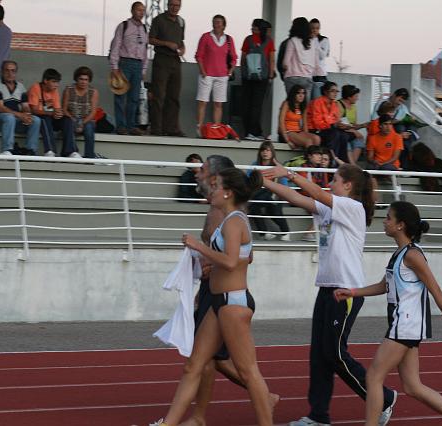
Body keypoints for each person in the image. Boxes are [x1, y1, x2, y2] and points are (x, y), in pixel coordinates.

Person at [259, 163, 398, 426]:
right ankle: (318, 416)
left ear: (347, 185)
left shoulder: (352, 208)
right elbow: (298, 198)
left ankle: (384, 397)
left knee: (334, 352)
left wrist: (288, 173)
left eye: (334, 179)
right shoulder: (331, 208)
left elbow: (317, 194)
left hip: (346, 291)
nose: (330, 183)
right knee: (319, 355)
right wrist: (264, 182)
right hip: (327, 288)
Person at [152, 166, 274, 426]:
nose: (212, 190)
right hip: (219, 303)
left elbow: (231, 262)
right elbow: (245, 257)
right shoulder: (230, 221)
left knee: (248, 372)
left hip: (233, 303)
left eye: (216, 186)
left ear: (228, 192)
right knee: (194, 365)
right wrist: (207, 262)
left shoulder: (235, 222)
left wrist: (199, 247)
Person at [334, 201, 442, 426]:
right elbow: (384, 286)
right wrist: (353, 292)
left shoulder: (413, 255)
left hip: (405, 324)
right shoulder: (399, 254)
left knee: (374, 377)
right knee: (412, 387)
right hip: (404, 324)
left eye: (388, 218)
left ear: (401, 225)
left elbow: (436, 290)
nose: (384, 221)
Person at [0, 60, 40, 155]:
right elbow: (0, 108)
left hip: (14, 120)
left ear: (16, 72)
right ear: (2, 71)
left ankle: (30, 150)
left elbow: (25, 107)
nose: (10, 73)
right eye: (7, 70)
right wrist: (20, 115)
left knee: (36, 120)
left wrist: (27, 115)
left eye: (13, 71)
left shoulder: (21, 86)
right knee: (9, 117)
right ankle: (7, 150)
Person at [109, 1, 148, 136]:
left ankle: (131, 126)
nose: (141, 13)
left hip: (137, 65)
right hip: (124, 62)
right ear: (132, 11)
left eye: (143, 10)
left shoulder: (144, 29)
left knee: (134, 98)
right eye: (138, 10)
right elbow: (116, 45)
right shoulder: (124, 26)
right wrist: (114, 66)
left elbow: (145, 50)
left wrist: (144, 69)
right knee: (120, 95)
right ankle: (121, 125)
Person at [194, 14, 236, 137]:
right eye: (214, 22)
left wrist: (230, 71)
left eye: (219, 22)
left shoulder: (229, 39)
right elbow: (199, 55)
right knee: (203, 102)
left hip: (222, 75)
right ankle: (199, 128)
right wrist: (202, 70)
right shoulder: (206, 37)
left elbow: (234, 57)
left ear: (224, 25)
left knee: (218, 103)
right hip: (207, 74)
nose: (216, 24)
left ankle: (216, 129)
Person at [148, 0, 185, 137]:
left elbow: (181, 41)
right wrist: (166, 43)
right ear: (168, 5)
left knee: (174, 96)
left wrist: (182, 49)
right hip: (162, 58)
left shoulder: (181, 22)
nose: (175, 8)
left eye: (177, 5)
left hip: (175, 60)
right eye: (172, 5)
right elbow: (151, 39)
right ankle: (156, 128)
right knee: (159, 95)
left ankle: (172, 128)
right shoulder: (159, 20)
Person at [28, 68, 81, 158]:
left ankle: (70, 151)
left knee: (67, 120)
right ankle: (50, 150)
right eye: (54, 82)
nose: (56, 85)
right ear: (45, 81)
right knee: (45, 119)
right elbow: (34, 110)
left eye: (57, 82)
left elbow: (57, 109)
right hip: (39, 118)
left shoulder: (54, 90)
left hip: (51, 117)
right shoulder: (35, 87)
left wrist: (58, 113)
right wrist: (51, 113)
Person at [240, 18, 274, 140]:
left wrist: (243, 73)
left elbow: (243, 58)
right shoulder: (269, 41)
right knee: (257, 105)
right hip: (262, 77)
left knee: (247, 104)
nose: (252, 28)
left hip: (247, 77)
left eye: (254, 27)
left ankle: (248, 131)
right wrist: (270, 75)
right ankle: (255, 132)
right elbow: (271, 60)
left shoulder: (248, 40)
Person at [250, 141, 291, 241]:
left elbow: (284, 185)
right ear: (260, 152)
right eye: (263, 150)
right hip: (258, 193)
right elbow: (249, 181)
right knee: (253, 207)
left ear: (272, 152)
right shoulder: (255, 165)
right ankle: (264, 233)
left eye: (268, 150)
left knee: (272, 208)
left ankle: (285, 232)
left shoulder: (277, 166)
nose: (265, 152)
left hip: (275, 194)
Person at [371, 88, 416, 169]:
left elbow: (407, 118)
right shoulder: (382, 104)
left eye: (402, 101)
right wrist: (399, 135)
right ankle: (404, 165)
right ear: (394, 95)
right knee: (400, 129)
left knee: (408, 133)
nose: (400, 103)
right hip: (383, 133)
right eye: (399, 99)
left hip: (395, 133)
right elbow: (376, 122)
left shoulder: (402, 107)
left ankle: (405, 166)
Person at [308, 80, 351, 163]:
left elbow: (336, 120)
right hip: (316, 130)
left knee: (344, 135)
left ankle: (342, 162)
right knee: (335, 134)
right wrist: (333, 125)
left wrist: (342, 125)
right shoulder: (317, 102)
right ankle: (332, 160)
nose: (335, 93)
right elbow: (317, 123)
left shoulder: (335, 104)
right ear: (325, 92)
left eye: (336, 91)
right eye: (332, 91)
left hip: (330, 129)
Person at [62, 66, 99, 158]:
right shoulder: (69, 89)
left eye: (86, 79)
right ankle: (71, 152)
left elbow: (93, 112)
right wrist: (74, 120)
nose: (83, 82)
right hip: (71, 118)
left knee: (89, 127)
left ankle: (89, 157)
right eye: (81, 79)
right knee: (68, 123)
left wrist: (81, 123)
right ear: (76, 79)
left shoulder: (93, 92)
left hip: (86, 120)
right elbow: (64, 109)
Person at [282, 17, 319, 103]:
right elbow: (316, 63)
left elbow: (285, 63)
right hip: (307, 79)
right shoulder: (312, 42)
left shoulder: (292, 41)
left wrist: (284, 71)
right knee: (305, 108)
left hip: (292, 78)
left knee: (292, 106)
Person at [337, 84, 368, 164]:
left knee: (359, 140)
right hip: (341, 132)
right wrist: (354, 131)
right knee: (347, 143)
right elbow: (340, 124)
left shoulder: (354, 107)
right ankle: (353, 166)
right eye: (356, 96)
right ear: (349, 97)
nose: (357, 98)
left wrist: (362, 125)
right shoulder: (338, 105)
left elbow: (353, 125)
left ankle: (351, 165)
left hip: (350, 132)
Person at [309, 18, 329, 100]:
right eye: (312, 28)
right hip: (308, 74)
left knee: (317, 102)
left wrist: (315, 40)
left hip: (320, 75)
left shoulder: (324, 40)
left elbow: (322, 56)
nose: (314, 30)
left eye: (317, 28)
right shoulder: (306, 41)